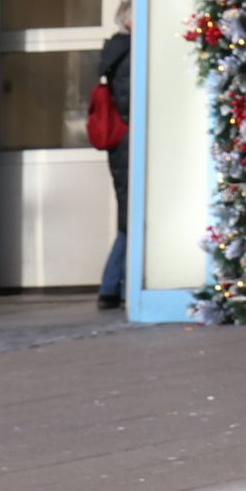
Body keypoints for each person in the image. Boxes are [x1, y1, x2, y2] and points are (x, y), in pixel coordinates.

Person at [87, 24, 131, 306]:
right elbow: (132, 100)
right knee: (132, 219)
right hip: (129, 142)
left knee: (129, 216)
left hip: (121, 144)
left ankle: (113, 286)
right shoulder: (129, 53)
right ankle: (112, 286)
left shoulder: (115, 51)